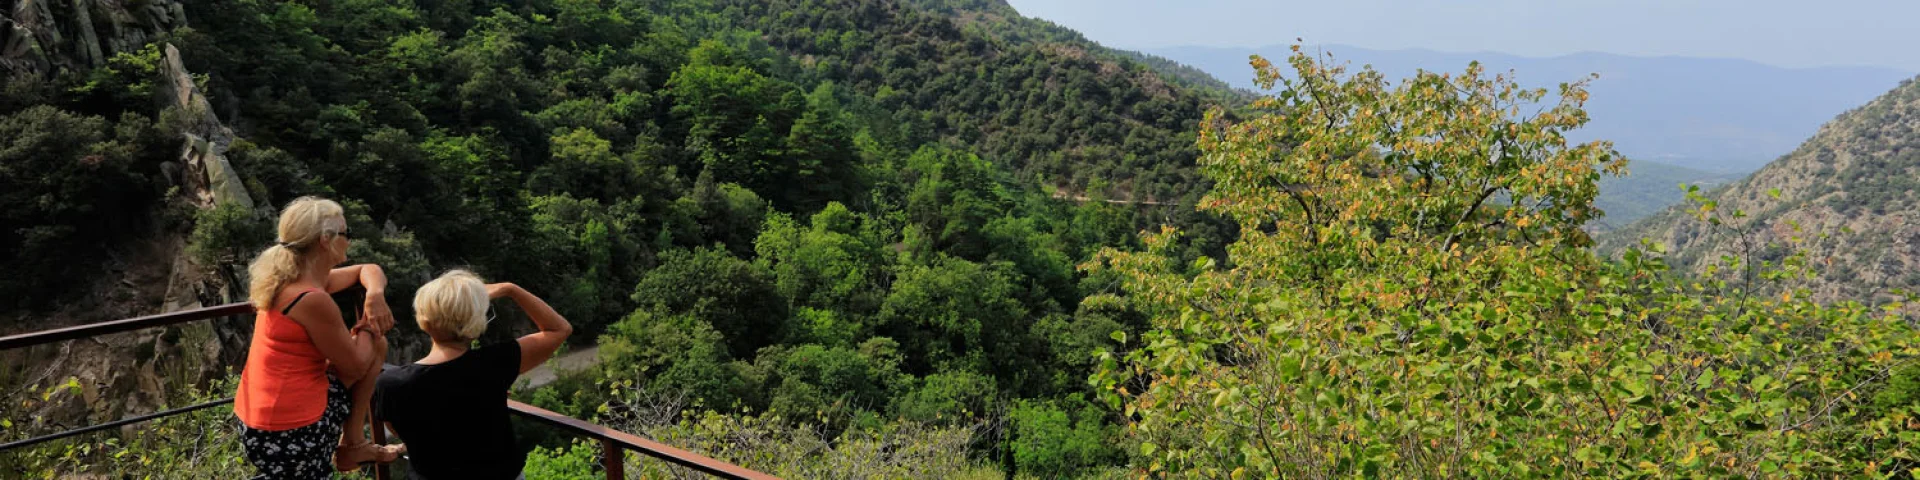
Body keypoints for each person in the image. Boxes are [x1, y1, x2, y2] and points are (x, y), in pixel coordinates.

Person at [235, 196, 404, 479]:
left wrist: (373, 294)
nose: (349, 240)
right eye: (346, 234)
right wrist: (366, 326)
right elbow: (354, 367)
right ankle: (353, 444)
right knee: (376, 343)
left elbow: (369, 269)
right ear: (326, 240)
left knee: (372, 345)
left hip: (257, 423)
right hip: (290, 434)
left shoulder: (289, 279)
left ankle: (353, 444)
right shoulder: (311, 298)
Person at [376, 270, 572, 480]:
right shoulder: (495, 363)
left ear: (424, 319)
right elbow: (559, 329)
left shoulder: (392, 383)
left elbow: (397, 429)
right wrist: (510, 289)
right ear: (476, 322)